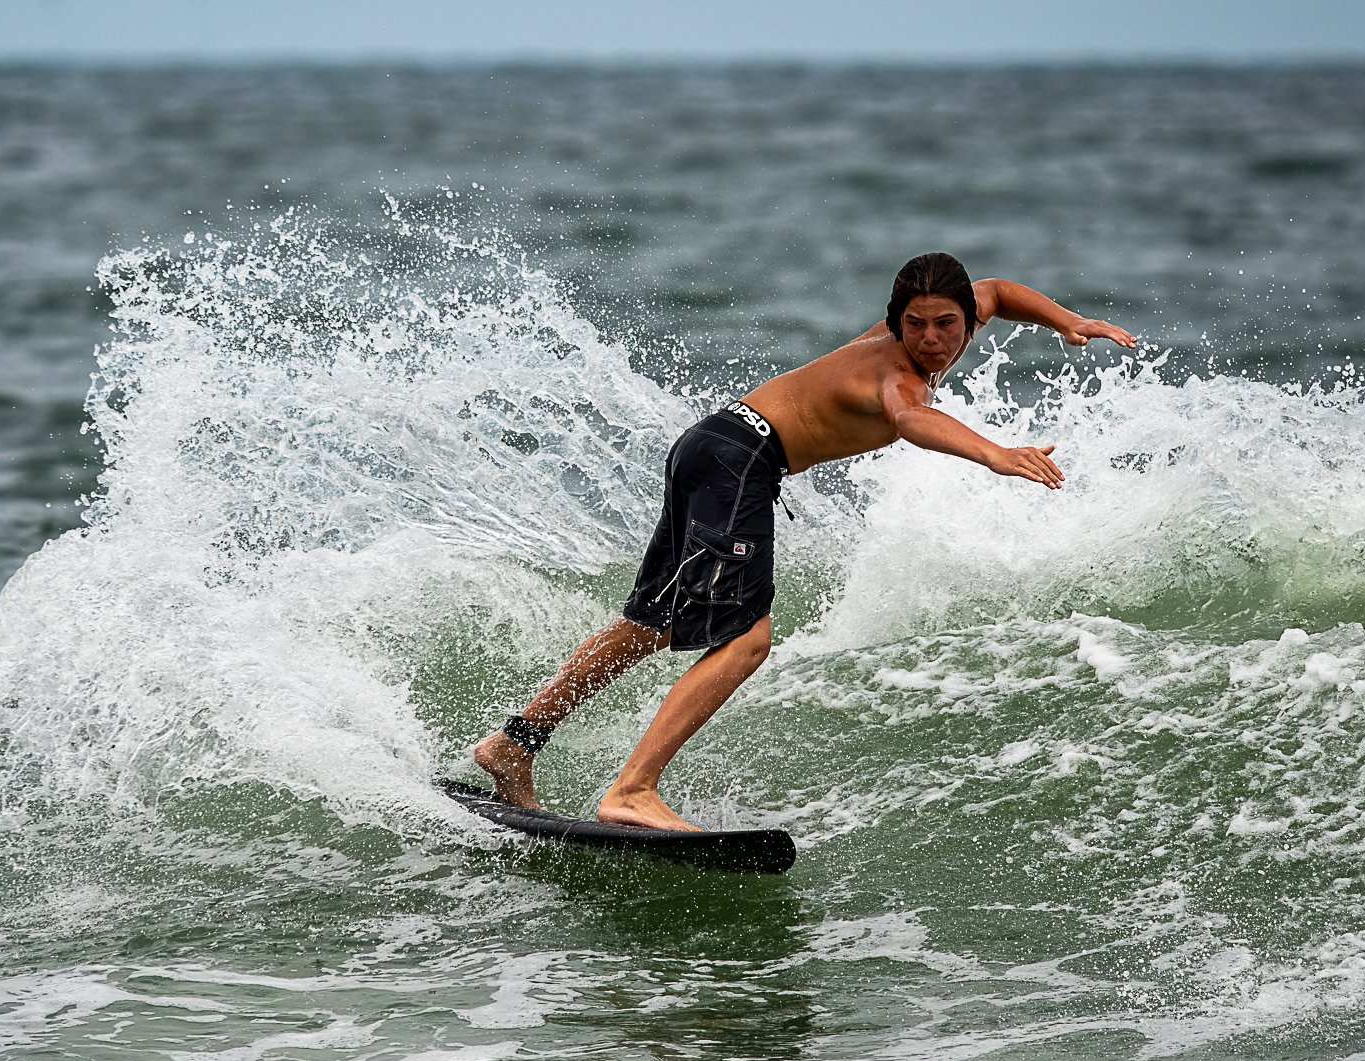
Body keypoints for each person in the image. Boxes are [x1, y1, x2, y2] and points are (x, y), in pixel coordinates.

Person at [471, 252, 1136, 830]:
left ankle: (516, 742)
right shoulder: (898, 378)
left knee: (649, 626)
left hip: (709, 445)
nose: (931, 340)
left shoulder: (964, 311)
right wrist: (993, 453)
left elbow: (996, 287)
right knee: (748, 641)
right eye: (914, 325)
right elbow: (909, 420)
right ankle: (633, 791)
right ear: (895, 320)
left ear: (967, 318)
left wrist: (1067, 321)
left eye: (946, 325)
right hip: (739, 464)